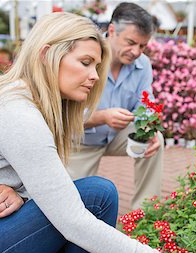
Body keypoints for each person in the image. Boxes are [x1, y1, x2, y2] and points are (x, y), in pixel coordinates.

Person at [0, 12, 196, 253]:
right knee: (95, 199)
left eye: (97, 66)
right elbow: (72, 219)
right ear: (47, 54)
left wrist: (20, 194)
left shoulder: (15, 97)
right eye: (85, 63)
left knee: (93, 200)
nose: (94, 76)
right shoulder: (16, 112)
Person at [66, 2, 163, 210]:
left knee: (155, 141)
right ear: (111, 30)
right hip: (79, 142)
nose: (136, 51)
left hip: (117, 136)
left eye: (143, 45)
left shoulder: (142, 64)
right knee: (70, 205)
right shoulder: (87, 59)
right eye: (131, 42)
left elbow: (146, 103)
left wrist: (149, 128)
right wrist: (101, 117)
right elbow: (63, 115)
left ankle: (145, 215)